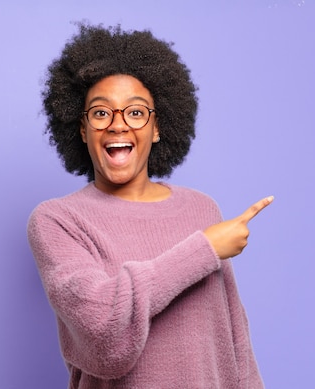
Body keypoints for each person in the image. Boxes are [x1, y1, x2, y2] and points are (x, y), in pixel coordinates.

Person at [27, 23, 273, 389]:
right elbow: (102, 333)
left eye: (136, 112)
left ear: (158, 128)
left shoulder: (202, 210)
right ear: (81, 130)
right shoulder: (58, 221)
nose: (118, 125)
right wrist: (203, 250)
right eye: (100, 113)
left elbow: (234, 340)